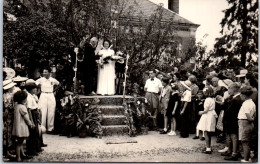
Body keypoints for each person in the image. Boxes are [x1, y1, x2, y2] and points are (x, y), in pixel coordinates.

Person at [222, 82, 243, 161]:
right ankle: (231, 151)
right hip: (232, 120)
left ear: (233, 89)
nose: (228, 91)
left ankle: (234, 153)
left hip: (232, 120)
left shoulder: (236, 99)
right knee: (231, 136)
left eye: (229, 89)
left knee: (233, 137)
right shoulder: (234, 98)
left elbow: (228, 110)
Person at [36, 67, 60, 133]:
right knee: (42, 111)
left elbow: (59, 84)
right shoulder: (41, 79)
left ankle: (50, 128)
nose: (44, 73)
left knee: (51, 111)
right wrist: (39, 88)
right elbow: (35, 84)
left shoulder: (53, 80)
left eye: (46, 72)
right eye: (43, 72)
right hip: (43, 94)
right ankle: (42, 128)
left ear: (49, 73)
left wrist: (54, 90)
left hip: (51, 95)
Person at [12, 91, 34, 162]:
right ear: (23, 99)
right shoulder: (23, 107)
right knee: (19, 142)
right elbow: (26, 118)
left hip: (17, 126)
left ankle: (22, 154)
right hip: (21, 126)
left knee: (20, 142)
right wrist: (30, 124)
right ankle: (18, 157)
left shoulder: (17, 106)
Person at [196, 87, 217, 154]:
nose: (204, 93)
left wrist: (200, 112)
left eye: (205, 92)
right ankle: (208, 147)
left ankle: (208, 148)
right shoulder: (212, 99)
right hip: (211, 115)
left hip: (208, 116)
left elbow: (206, 110)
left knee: (206, 132)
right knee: (208, 132)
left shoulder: (207, 99)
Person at [238, 86, 256, 162]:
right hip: (249, 124)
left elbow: (248, 116)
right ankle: (248, 157)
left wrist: (251, 119)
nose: (240, 96)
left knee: (244, 141)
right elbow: (254, 114)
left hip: (245, 123)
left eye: (241, 95)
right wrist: (253, 119)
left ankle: (246, 159)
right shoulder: (252, 103)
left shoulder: (245, 104)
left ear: (244, 96)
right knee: (248, 141)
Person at [25, 80, 43, 156]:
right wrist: (31, 121)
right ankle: (31, 150)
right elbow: (29, 110)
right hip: (32, 114)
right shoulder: (29, 97)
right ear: (31, 89)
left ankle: (36, 148)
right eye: (35, 89)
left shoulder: (32, 96)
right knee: (32, 133)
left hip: (35, 113)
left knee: (36, 133)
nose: (36, 90)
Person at [3, 79, 17, 160]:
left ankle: (7, 151)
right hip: (9, 115)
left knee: (7, 132)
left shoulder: (5, 95)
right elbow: (9, 107)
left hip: (7, 115)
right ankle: (8, 152)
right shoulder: (9, 96)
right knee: (8, 132)